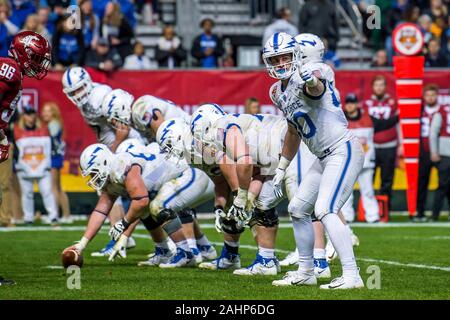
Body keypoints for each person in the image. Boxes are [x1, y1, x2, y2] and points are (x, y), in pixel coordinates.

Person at [263, 32, 364, 289]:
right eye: (275, 59)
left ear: (296, 55)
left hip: (342, 149)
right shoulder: (277, 91)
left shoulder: (310, 73)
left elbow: (316, 88)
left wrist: (310, 81)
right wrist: (282, 166)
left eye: (285, 57)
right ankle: (307, 270)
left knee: (325, 209)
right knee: (297, 208)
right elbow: (293, 131)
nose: (281, 64)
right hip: (323, 156)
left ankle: (352, 275)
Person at [13, 106, 58, 225]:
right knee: (27, 194)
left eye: (32, 114)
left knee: (47, 191)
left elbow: (51, 147)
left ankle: (53, 217)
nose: (31, 117)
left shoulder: (44, 129)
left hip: (43, 168)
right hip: (24, 169)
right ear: (24, 116)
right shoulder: (17, 130)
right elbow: (15, 151)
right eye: (28, 114)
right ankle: (28, 218)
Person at [341, 93, 379, 223]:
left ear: (357, 104)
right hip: (347, 162)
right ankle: (347, 216)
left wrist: (398, 116)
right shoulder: (340, 120)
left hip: (366, 162)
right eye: (348, 103)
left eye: (352, 102)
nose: (350, 105)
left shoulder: (369, 119)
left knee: (368, 190)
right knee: (346, 192)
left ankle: (373, 216)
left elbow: (385, 124)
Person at [364, 75, 399, 209]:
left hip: (389, 145)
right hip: (371, 147)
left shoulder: (393, 102)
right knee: (368, 180)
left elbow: (398, 125)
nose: (379, 88)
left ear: (385, 87)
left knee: (387, 180)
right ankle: (369, 209)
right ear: (372, 87)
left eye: (381, 85)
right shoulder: (366, 103)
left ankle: (385, 210)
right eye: (376, 85)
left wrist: (401, 144)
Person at [41, 102, 72, 224]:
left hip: (53, 157)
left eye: (48, 111)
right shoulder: (54, 123)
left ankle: (55, 214)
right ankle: (65, 214)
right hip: (56, 157)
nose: (45, 113)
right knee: (58, 187)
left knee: (53, 187)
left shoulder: (53, 124)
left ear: (53, 113)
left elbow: (51, 137)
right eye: (44, 111)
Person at [429, 104, 450, 221]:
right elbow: (433, 133)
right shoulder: (441, 112)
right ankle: (435, 214)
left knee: (443, 185)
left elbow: (433, 133)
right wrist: (434, 151)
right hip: (445, 154)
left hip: (445, 153)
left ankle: (434, 215)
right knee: (443, 185)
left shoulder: (441, 111)